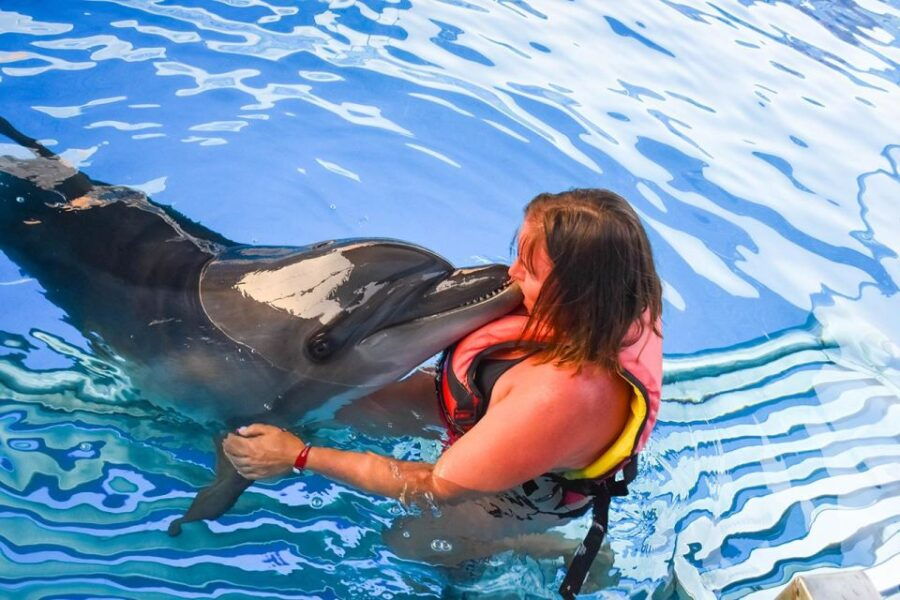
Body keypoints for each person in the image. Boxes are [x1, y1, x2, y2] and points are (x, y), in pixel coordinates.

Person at [222, 188, 663, 598]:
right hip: (492, 410)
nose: (511, 274)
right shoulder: (610, 300)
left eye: (529, 271)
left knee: (409, 543)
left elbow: (431, 486)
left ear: (576, 295)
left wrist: (299, 457)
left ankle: (542, 546)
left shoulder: (558, 396)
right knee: (340, 410)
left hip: (524, 495)